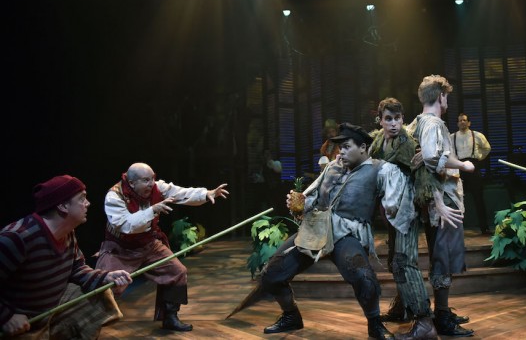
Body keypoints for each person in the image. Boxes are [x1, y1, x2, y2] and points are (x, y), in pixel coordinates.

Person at [256, 122, 415, 339]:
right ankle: (291, 315)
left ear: (362, 147)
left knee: (364, 277)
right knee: (270, 275)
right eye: (339, 147)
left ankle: (375, 324)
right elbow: (311, 202)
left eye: (347, 146)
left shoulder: (380, 169)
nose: (341, 151)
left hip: (347, 234)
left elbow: (400, 195)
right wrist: (311, 195)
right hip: (317, 229)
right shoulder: (332, 168)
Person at [95, 162, 229, 332]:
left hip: (148, 243)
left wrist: (206, 193)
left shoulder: (157, 188)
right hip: (121, 247)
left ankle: (170, 317)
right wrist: (152, 210)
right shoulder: (115, 197)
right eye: (145, 180)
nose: (151, 184)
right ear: (131, 182)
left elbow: (181, 193)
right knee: (104, 285)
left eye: (152, 179)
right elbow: (125, 225)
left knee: (177, 271)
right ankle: (91, 324)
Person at [1, 175, 132, 339]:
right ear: (62, 206)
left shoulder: (67, 232)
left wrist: (105, 276)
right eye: (82, 198)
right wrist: (6, 316)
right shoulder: (17, 238)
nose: (88, 203)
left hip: (51, 308)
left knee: (100, 291)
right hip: (25, 318)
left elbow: (76, 267)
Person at [368, 97, 446, 338]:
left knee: (404, 261)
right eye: (388, 119)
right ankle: (403, 306)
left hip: (407, 208)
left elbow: (425, 175)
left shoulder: (407, 144)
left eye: (398, 118)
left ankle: (424, 321)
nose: (394, 124)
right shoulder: (379, 141)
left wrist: (433, 202)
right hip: (390, 207)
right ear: (380, 121)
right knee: (394, 259)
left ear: (403, 119)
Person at [406, 74, 475, 337]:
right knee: (443, 259)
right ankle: (443, 319)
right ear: (440, 97)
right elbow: (434, 158)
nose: (447, 101)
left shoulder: (418, 122)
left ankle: (443, 311)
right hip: (442, 201)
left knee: (442, 256)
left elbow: (424, 157)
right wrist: (463, 164)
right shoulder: (433, 122)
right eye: (446, 96)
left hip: (438, 200)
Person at [450, 113, 492, 234]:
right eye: (460, 121)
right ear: (457, 123)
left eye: (464, 120)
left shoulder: (477, 135)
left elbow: (487, 148)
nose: (462, 122)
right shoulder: (452, 137)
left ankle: (484, 228)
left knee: (478, 198)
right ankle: (457, 229)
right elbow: (450, 153)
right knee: (457, 198)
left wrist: (478, 158)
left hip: (473, 166)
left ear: (469, 123)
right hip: (459, 167)